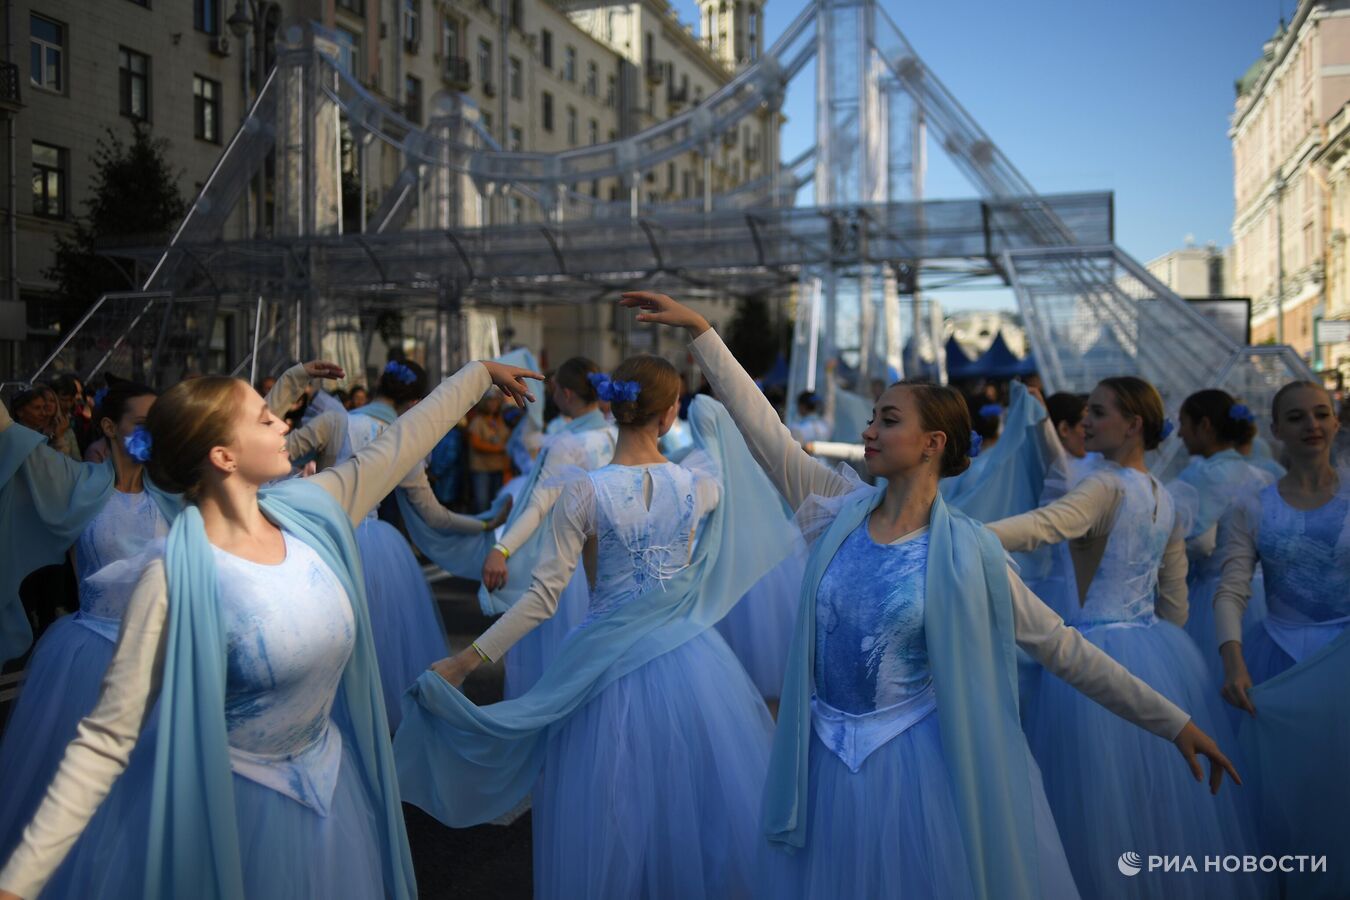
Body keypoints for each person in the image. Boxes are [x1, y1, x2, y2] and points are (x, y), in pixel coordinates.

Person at [621, 291, 1238, 900]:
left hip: (912, 772)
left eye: (889, 420)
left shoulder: (967, 552)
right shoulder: (830, 512)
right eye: (874, 417)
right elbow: (766, 432)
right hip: (824, 764)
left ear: (933, 443)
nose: (868, 429)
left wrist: (1175, 722)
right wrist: (703, 333)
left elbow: (1063, 649)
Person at [0, 356, 541, 900]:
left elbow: (399, 442)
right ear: (222, 456)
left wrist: (475, 376)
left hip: (332, 800)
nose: (285, 424)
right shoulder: (172, 576)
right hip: (236, 817)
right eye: (264, 419)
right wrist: (18, 884)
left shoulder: (314, 508)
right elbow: (106, 739)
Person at [397, 361, 783, 900]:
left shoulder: (583, 493)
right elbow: (735, 457)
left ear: (612, 405)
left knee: (610, 811)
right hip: (694, 663)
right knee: (695, 807)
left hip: (603, 673)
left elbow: (541, 601)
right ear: (670, 415)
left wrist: (465, 662)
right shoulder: (699, 486)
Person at [986, 377, 1262, 900]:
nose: (1087, 421)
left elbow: (1047, 525)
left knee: (1099, 802)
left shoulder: (1106, 485)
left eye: (1098, 412)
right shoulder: (1164, 493)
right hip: (1157, 650)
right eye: (1086, 412)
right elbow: (1175, 598)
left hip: (1098, 651)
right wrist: (1166, 653)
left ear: (1133, 424)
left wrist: (963, 535)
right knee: (1154, 799)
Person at [1214, 380, 1349, 897]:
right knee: (1291, 801)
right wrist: (1233, 660)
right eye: (1296, 417)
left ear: (1335, 423)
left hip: (1344, 665)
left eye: (1321, 414)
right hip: (1280, 663)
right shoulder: (1252, 505)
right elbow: (1230, 590)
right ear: (1276, 431)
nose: (1311, 425)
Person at [334, 358, 512, 729]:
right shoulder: (403, 438)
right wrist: (483, 522)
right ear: (415, 404)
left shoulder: (336, 422)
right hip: (377, 547)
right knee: (380, 642)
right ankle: (378, 725)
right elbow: (434, 515)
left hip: (327, 542)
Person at [479, 357, 616, 699]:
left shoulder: (567, 444)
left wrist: (502, 548)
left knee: (552, 675)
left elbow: (540, 505)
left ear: (567, 394)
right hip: (611, 564)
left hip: (567, 566)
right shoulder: (615, 433)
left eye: (554, 390)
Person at [1173, 389, 1275, 676]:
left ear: (1204, 425)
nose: (1180, 433)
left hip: (1215, 594)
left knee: (1216, 679)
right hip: (1260, 592)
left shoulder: (1200, 475)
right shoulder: (1262, 475)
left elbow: (1201, 543)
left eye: (1183, 423)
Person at [467, 390, 510, 511]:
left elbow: (509, 441)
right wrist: (500, 448)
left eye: (496, 400)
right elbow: (476, 444)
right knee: (482, 503)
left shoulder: (502, 421)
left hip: (499, 468)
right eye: (490, 400)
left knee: (496, 503)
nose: (493, 404)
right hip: (482, 469)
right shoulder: (478, 421)